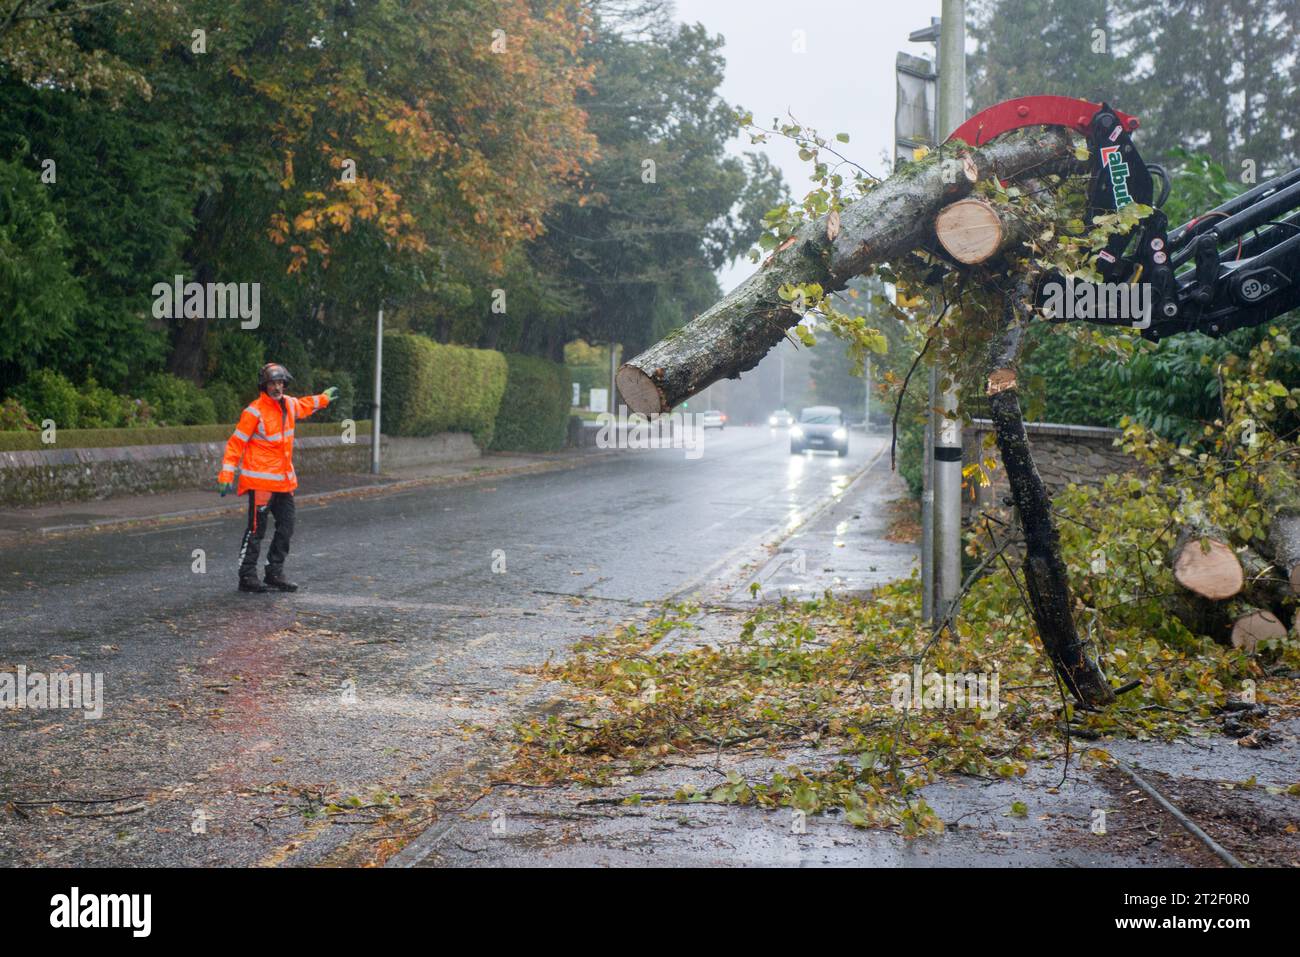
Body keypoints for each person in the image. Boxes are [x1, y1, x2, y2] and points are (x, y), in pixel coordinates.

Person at [217, 363, 338, 593]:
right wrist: (226, 473)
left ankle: (274, 571)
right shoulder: (254, 411)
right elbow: (236, 443)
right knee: (256, 531)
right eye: (273, 383)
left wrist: (323, 399)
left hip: (283, 482)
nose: (277, 387)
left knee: (287, 526)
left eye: (281, 383)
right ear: (264, 385)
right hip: (261, 483)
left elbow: (304, 405)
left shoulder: (289, 405)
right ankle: (247, 576)